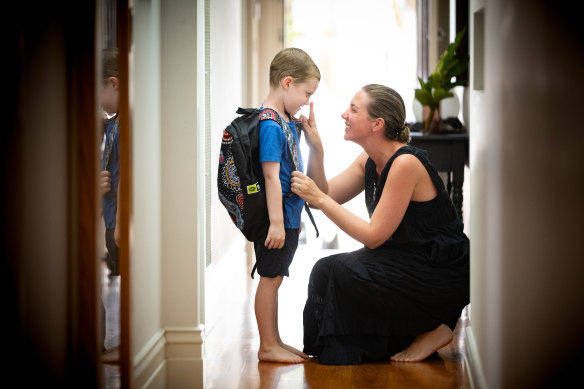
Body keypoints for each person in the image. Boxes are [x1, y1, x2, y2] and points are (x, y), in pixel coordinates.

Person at [290, 84, 470, 364]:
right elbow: (321, 196)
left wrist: (321, 200)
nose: (343, 115)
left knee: (344, 270)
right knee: (324, 270)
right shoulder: (369, 161)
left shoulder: (406, 163)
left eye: (353, 109)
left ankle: (435, 326)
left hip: (436, 270)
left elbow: (373, 237)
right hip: (402, 258)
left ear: (377, 124)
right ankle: (370, 342)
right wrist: (316, 149)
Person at [252, 47, 327, 363]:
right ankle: (267, 346)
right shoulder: (270, 124)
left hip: (288, 215)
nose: (307, 101)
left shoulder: (283, 119)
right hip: (278, 218)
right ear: (286, 82)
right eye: (306, 92)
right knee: (269, 279)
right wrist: (277, 223)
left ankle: (275, 340)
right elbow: (270, 178)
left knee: (276, 277)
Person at [99, 47, 121, 364]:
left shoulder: (126, 123)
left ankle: (126, 345)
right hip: (111, 218)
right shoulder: (112, 122)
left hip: (119, 219)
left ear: (113, 83)